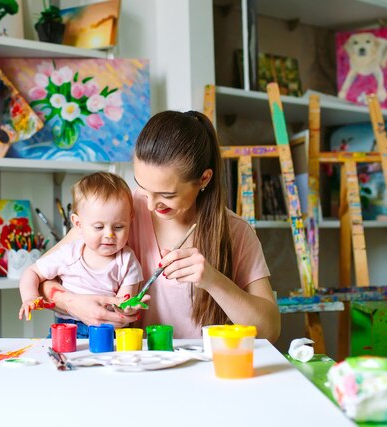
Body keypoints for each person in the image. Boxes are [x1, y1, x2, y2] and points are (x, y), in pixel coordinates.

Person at [40, 110, 281, 342]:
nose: (151, 204)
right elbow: (39, 281)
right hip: (135, 365)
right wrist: (73, 303)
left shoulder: (235, 231)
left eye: (166, 194)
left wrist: (213, 280)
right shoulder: (121, 213)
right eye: (142, 187)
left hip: (206, 370)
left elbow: (270, 331)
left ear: (204, 179)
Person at [18, 171, 144, 338]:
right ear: (78, 224)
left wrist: (129, 306)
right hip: (67, 329)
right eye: (99, 227)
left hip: (107, 332)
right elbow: (32, 272)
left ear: (130, 220)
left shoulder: (127, 260)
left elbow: (123, 303)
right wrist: (30, 297)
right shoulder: (69, 254)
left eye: (119, 227)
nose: (109, 235)